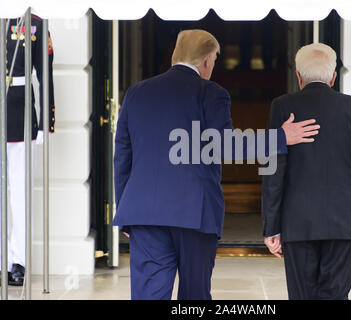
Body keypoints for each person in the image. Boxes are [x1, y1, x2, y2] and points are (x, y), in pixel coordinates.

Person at [112, 29, 320, 300]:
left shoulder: (136, 93)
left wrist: (127, 210)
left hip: (144, 214)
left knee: (148, 296)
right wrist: (282, 137)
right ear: (208, 60)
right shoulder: (212, 93)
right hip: (194, 213)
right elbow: (224, 146)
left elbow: (122, 156)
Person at [262, 43, 351, 300]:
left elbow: (273, 171)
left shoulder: (282, 106)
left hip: (297, 222)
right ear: (334, 76)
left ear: (298, 76)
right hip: (345, 223)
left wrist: (271, 226)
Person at [0, 15, 55, 287]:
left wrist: (45, 121)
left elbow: (44, 72)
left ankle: (17, 260)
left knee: (20, 194)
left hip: (20, 115)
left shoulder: (34, 20)